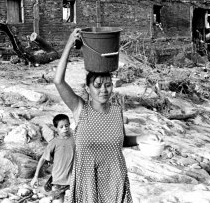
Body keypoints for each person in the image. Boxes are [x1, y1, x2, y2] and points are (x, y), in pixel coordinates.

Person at [54, 28, 160, 203]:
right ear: (88, 89)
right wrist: (69, 44)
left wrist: (143, 137)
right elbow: (58, 81)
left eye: (108, 85)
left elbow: (119, 141)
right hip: (87, 183)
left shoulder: (116, 111)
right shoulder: (80, 109)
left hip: (115, 181)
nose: (103, 90)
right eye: (97, 85)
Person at [30, 114, 75, 203]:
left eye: (66, 126)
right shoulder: (54, 143)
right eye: (61, 127)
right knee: (58, 200)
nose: (65, 128)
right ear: (56, 128)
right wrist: (36, 176)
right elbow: (43, 159)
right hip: (57, 180)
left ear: (69, 125)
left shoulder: (75, 139)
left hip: (73, 179)